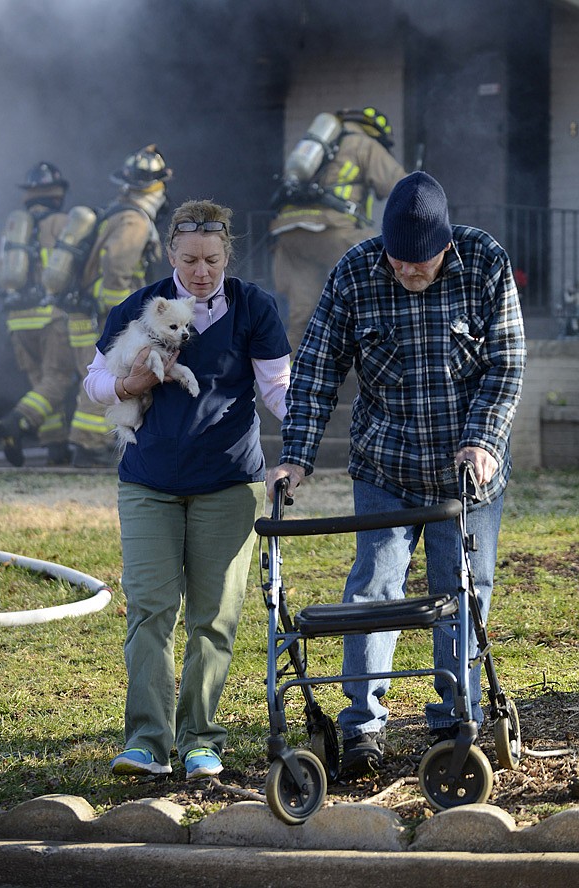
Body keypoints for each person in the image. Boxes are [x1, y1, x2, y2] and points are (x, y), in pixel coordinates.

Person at [266, 171, 526, 776]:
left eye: (422, 261)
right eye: (398, 259)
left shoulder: (485, 261)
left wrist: (483, 441)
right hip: (385, 462)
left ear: (445, 243)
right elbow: (316, 368)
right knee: (373, 589)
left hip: (467, 470)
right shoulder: (356, 271)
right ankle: (362, 727)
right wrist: (297, 456)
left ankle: (454, 721)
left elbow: (507, 365)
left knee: (460, 589)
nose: (409, 271)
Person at [84, 198, 290, 778]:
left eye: (213, 260)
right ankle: (148, 741)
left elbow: (276, 387)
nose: (202, 271)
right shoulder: (141, 307)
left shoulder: (254, 307)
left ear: (227, 256)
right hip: (149, 482)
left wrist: (299, 437)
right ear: (171, 253)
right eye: (191, 258)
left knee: (214, 618)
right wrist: (129, 382)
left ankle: (201, 739)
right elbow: (94, 381)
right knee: (150, 610)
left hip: (228, 482)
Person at [67, 144, 173, 467]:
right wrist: (122, 320)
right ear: (155, 186)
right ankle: (88, 447)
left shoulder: (117, 212)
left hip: (86, 313)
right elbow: (117, 271)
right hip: (100, 317)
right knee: (103, 374)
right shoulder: (134, 222)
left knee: (96, 374)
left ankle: (89, 443)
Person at [269, 106, 407, 350]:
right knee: (379, 272)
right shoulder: (364, 144)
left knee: (303, 310)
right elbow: (402, 187)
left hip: (289, 230)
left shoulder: (317, 148)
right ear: (377, 133)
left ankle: (288, 374)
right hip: (331, 228)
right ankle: (375, 358)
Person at [0, 162, 77, 467]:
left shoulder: (14, 227)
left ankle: (55, 448)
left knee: (41, 383)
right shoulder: (63, 222)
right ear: (58, 193)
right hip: (51, 316)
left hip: (17, 320)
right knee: (57, 378)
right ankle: (17, 420)